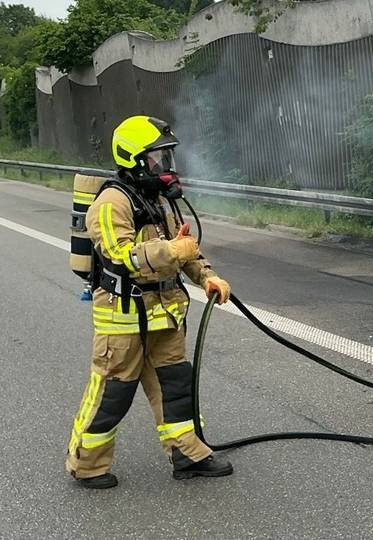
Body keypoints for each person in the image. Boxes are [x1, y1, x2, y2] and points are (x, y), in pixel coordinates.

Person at [66, 115, 233, 489]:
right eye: (158, 158)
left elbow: (185, 249)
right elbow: (121, 254)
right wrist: (172, 250)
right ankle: (87, 464)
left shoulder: (158, 201)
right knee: (112, 395)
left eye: (167, 157)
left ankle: (188, 454)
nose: (166, 166)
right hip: (123, 320)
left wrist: (207, 277)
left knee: (176, 389)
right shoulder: (111, 203)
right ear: (134, 159)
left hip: (164, 316)